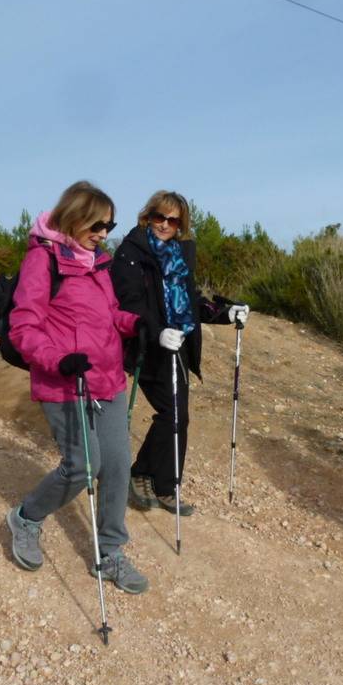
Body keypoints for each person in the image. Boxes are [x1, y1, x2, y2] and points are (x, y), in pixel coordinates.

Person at [4, 181, 148, 593]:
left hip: (108, 378)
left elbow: (108, 314)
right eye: (98, 224)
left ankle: (111, 553)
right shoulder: (42, 259)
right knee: (84, 466)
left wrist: (136, 324)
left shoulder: (97, 261)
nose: (105, 233)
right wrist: (58, 359)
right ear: (76, 216)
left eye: (110, 224)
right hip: (64, 381)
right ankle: (27, 517)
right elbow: (23, 326)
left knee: (117, 466)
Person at [111, 191, 249, 514]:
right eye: (160, 217)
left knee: (178, 418)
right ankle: (145, 476)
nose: (165, 224)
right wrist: (156, 332)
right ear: (148, 215)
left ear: (180, 224)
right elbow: (127, 302)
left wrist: (224, 314)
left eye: (172, 220)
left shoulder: (179, 254)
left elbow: (190, 301)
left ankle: (162, 484)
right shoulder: (131, 253)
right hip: (148, 345)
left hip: (180, 346)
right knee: (173, 414)